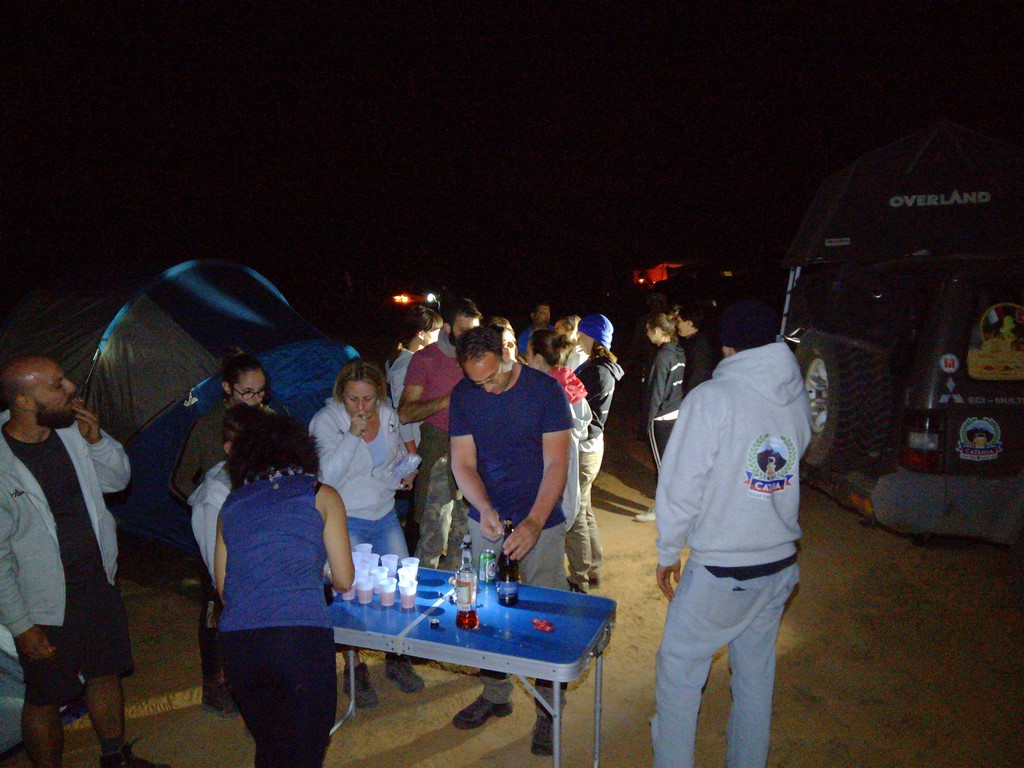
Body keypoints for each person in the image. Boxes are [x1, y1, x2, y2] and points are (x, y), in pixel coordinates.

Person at [651, 300, 811, 768]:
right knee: (755, 679)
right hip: (778, 566)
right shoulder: (795, 396)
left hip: (722, 570)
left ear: (727, 345)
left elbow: (681, 485)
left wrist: (668, 550)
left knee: (679, 676)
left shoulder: (712, 399)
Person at [0, 356, 168, 768]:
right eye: (57, 385)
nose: (71, 388)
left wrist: (97, 442)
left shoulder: (71, 431)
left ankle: (115, 757)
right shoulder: (3, 464)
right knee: (44, 697)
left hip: (97, 581)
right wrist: (21, 625)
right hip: (43, 602)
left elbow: (117, 480)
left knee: (105, 672)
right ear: (23, 401)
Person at [447, 327, 572, 756]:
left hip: (542, 518)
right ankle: (495, 693)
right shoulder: (464, 395)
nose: (487, 388)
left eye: (493, 377)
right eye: (477, 381)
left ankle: (548, 708)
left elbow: (557, 462)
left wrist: (535, 522)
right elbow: (462, 462)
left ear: (507, 352)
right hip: (488, 519)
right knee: (483, 608)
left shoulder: (545, 391)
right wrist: (483, 507)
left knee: (545, 613)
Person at [214, 410, 354, 768]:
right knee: (305, 753)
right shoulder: (321, 495)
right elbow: (343, 578)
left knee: (270, 746)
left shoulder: (231, 505)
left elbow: (224, 588)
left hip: (239, 644)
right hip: (298, 639)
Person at [309, 359, 424, 704]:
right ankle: (354, 667)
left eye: (369, 398)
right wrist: (352, 435)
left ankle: (396, 656)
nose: (362, 406)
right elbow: (326, 476)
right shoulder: (326, 422)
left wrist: (405, 471)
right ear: (340, 395)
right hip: (346, 518)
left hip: (385, 514)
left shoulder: (387, 415)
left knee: (400, 589)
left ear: (380, 394)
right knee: (352, 596)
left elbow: (393, 455)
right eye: (353, 399)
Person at [170, 348, 269, 717]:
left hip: (258, 530)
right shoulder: (208, 426)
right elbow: (179, 480)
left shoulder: (268, 420)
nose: (256, 400)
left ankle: (252, 675)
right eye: (247, 392)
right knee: (216, 604)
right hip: (218, 532)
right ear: (227, 388)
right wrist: (206, 509)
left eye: (261, 392)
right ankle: (214, 681)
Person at [399, 298, 482, 568]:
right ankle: (424, 588)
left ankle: (458, 589)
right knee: (433, 535)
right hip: (439, 449)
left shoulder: (479, 357)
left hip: (473, 451)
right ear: (447, 328)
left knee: (465, 536)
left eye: (475, 330)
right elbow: (405, 413)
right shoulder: (425, 359)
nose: (471, 337)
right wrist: (446, 401)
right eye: (464, 330)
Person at [566, 314, 622, 592]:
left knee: (574, 511)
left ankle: (580, 577)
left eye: (582, 334)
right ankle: (593, 565)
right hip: (592, 445)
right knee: (584, 507)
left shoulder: (596, 371)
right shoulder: (602, 367)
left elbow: (577, 410)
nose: (578, 338)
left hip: (585, 447)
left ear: (592, 337)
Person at [525, 329, 592, 533]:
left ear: (537, 358)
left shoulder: (545, 391)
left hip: (549, 481)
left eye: (527, 353)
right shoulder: (569, 382)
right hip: (566, 477)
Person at [633, 312, 686, 523]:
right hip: (675, 414)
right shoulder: (677, 352)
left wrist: (646, 424)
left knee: (663, 467)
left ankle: (663, 510)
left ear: (656, 331)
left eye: (648, 330)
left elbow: (655, 393)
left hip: (661, 419)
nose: (646, 334)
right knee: (671, 464)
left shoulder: (662, 357)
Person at [386, 304, 443, 452]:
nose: (439, 337)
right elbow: (401, 412)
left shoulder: (415, 360)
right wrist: (412, 451)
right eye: (436, 332)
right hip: (414, 443)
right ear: (421, 334)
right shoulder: (406, 364)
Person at [673, 300, 716, 394]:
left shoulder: (700, 345)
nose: (676, 324)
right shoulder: (689, 341)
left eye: (679, 321)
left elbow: (697, 375)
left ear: (690, 323)